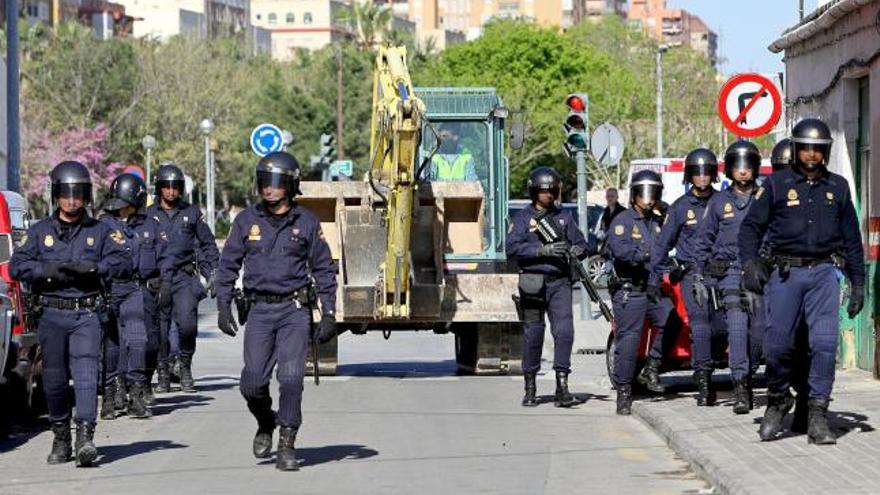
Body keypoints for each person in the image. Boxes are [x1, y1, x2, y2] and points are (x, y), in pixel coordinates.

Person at [740, 117, 864, 445]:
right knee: (776, 345)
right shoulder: (777, 185)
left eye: (817, 149)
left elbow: (852, 238)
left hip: (823, 274)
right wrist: (750, 263)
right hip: (785, 275)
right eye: (806, 148)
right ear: (796, 150)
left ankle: (818, 415)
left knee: (824, 345)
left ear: (825, 152)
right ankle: (779, 398)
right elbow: (750, 227)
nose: (811, 154)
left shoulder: (838, 187)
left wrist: (859, 283)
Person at [215, 151, 338, 471]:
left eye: (275, 183)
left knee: (292, 378)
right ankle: (266, 421)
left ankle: (287, 442)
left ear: (290, 185)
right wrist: (223, 304)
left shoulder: (307, 222)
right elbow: (227, 265)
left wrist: (329, 313)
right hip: (258, 311)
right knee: (252, 382)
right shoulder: (245, 221)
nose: (268, 189)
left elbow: (324, 269)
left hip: (294, 311)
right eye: (263, 183)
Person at [10, 161, 131, 466]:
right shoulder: (40, 232)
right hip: (52, 313)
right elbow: (16, 267)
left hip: (85, 312)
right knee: (54, 379)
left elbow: (123, 264)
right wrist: (47, 271)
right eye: (66, 193)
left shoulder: (100, 231)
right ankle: (61, 436)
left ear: (86, 196)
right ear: (56, 195)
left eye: (78, 194)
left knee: (87, 373)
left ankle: (86, 438)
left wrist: (95, 269)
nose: (72, 200)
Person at [691, 141, 763, 414]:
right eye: (737, 166)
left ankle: (751, 371)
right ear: (730, 169)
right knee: (736, 331)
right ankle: (741, 388)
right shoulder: (719, 202)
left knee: (759, 335)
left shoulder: (765, 197)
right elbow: (703, 242)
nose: (743, 171)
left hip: (759, 273)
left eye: (747, 166)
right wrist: (698, 275)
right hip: (730, 273)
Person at [506, 167, 588, 408]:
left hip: (559, 282)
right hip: (532, 282)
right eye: (544, 191)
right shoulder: (522, 218)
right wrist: (540, 250)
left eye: (552, 190)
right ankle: (530, 386)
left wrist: (577, 250)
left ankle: (562, 385)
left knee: (564, 332)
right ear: (534, 192)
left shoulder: (564, 217)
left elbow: (582, 243)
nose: (549, 195)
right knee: (534, 334)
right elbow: (511, 248)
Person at [649, 148, 718, 406]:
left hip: (719, 274)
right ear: (689, 176)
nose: (702, 177)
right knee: (700, 325)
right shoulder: (679, 208)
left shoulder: (722, 203)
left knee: (720, 326)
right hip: (692, 275)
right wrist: (657, 277)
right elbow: (661, 246)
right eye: (697, 172)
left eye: (706, 172)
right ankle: (703, 381)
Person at [99, 173, 170, 420]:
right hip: (110, 289)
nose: (121, 208)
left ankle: (136, 394)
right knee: (112, 346)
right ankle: (110, 395)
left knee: (139, 341)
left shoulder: (150, 225)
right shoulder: (103, 225)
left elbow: (164, 256)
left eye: (126, 203)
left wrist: (164, 282)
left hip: (136, 289)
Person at [607, 170, 676, 415]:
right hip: (631, 289)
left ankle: (652, 367)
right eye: (643, 194)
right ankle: (624, 390)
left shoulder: (657, 222)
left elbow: (670, 246)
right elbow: (620, 251)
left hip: (652, 288)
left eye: (653, 194)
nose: (648, 200)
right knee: (629, 341)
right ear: (634, 195)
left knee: (670, 319)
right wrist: (644, 255)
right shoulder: (623, 221)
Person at [146, 163, 219, 393]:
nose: (171, 192)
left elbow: (209, 246)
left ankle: (185, 365)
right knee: (160, 329)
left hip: (184, 278)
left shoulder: (191, 213)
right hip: (158, 279)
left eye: (175, 187)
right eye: (166, 187)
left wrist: (208, 277)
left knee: (187, 326)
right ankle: (164, 372)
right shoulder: (148, 215)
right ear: (159, 189)